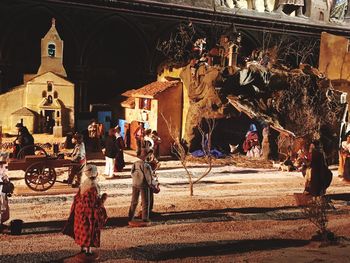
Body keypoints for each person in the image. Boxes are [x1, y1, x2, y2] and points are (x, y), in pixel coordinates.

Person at [63, 164, 108, 257]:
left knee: (81, 229)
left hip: (79, 210)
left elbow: (78, 197)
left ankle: (82, 248)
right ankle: (88, 251)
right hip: (88, 212)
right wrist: (104, 198)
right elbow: (94, 203)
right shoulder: (93, 186)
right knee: (89, 231)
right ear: (95, 173)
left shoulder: (84, 183)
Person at [128, 150, 153, 222]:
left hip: (135, 183)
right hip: (144, 185)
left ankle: (130, 217)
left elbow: (131, 173)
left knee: (134, 201)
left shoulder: (135, 163)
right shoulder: (146, 165)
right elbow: (148, 177)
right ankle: (145, 218)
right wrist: (150, 184)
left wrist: (135, 179)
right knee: (145, 202)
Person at [0, 158, 10, 231]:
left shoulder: (1, 169)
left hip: (2, 188)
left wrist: (6, 179)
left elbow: (4, 175)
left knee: (4, 206)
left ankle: (1, 224)